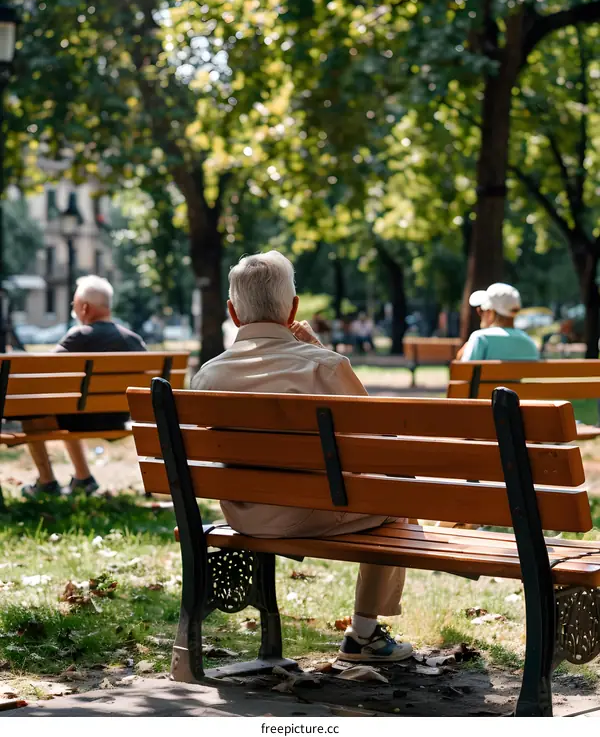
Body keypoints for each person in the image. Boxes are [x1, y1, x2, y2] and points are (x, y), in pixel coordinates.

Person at [192, 251, 411, 664]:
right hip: (310, 513)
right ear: (293, 308)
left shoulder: (207, 376)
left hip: (243, 515)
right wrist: (322, 351)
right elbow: (379, 441)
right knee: (396, 499)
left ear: (232, 313)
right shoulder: (323, 366)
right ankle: (363, 634)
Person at [22, 275, 147, 499]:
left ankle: (47, 481)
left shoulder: (79, 337)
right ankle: (83, 478)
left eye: (74, 305)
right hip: (121, 417)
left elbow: (40, 372)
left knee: (32, 413)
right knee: (71, 407)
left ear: (85, 308)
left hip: (84, 418)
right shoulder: (134, 341)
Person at [458, 283, 539, 361]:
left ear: (491, 312)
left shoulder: (481, 339)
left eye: (482, 310)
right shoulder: (528, 342)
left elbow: (464, 373)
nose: (480, 314)